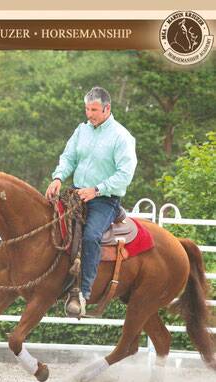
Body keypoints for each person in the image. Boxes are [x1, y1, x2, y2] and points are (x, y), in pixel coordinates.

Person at [45, 87, 137, 316]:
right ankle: (51, 282)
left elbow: (125, 174)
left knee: (91, 236)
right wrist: (57, 177)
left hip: (104, 199)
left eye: (94, 110)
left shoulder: (121, 136)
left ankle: (83, 293)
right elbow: (68, 157)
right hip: (76, 193)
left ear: (107, 108)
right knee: (48, 224)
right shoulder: (82, 131)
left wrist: (96, 190)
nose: (89, 114)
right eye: (87, 109)